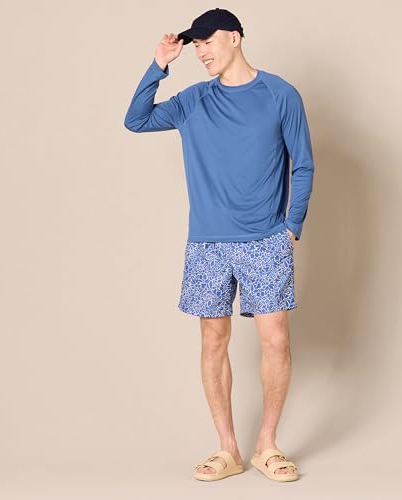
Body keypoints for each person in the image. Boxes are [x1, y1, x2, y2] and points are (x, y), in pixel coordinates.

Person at [123, 8, 314, 483]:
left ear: (235, 37)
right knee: (213, 339)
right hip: (207, 243)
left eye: (207, 41)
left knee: (276, 339)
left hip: (265, 240)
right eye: (196, 45)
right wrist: (159, 63)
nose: (201, 51)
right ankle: (228, 448)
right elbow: (136, 120)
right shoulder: (193, 101)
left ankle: (267, 445)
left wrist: (291, 226)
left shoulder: (280, 94)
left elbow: (303, 163)